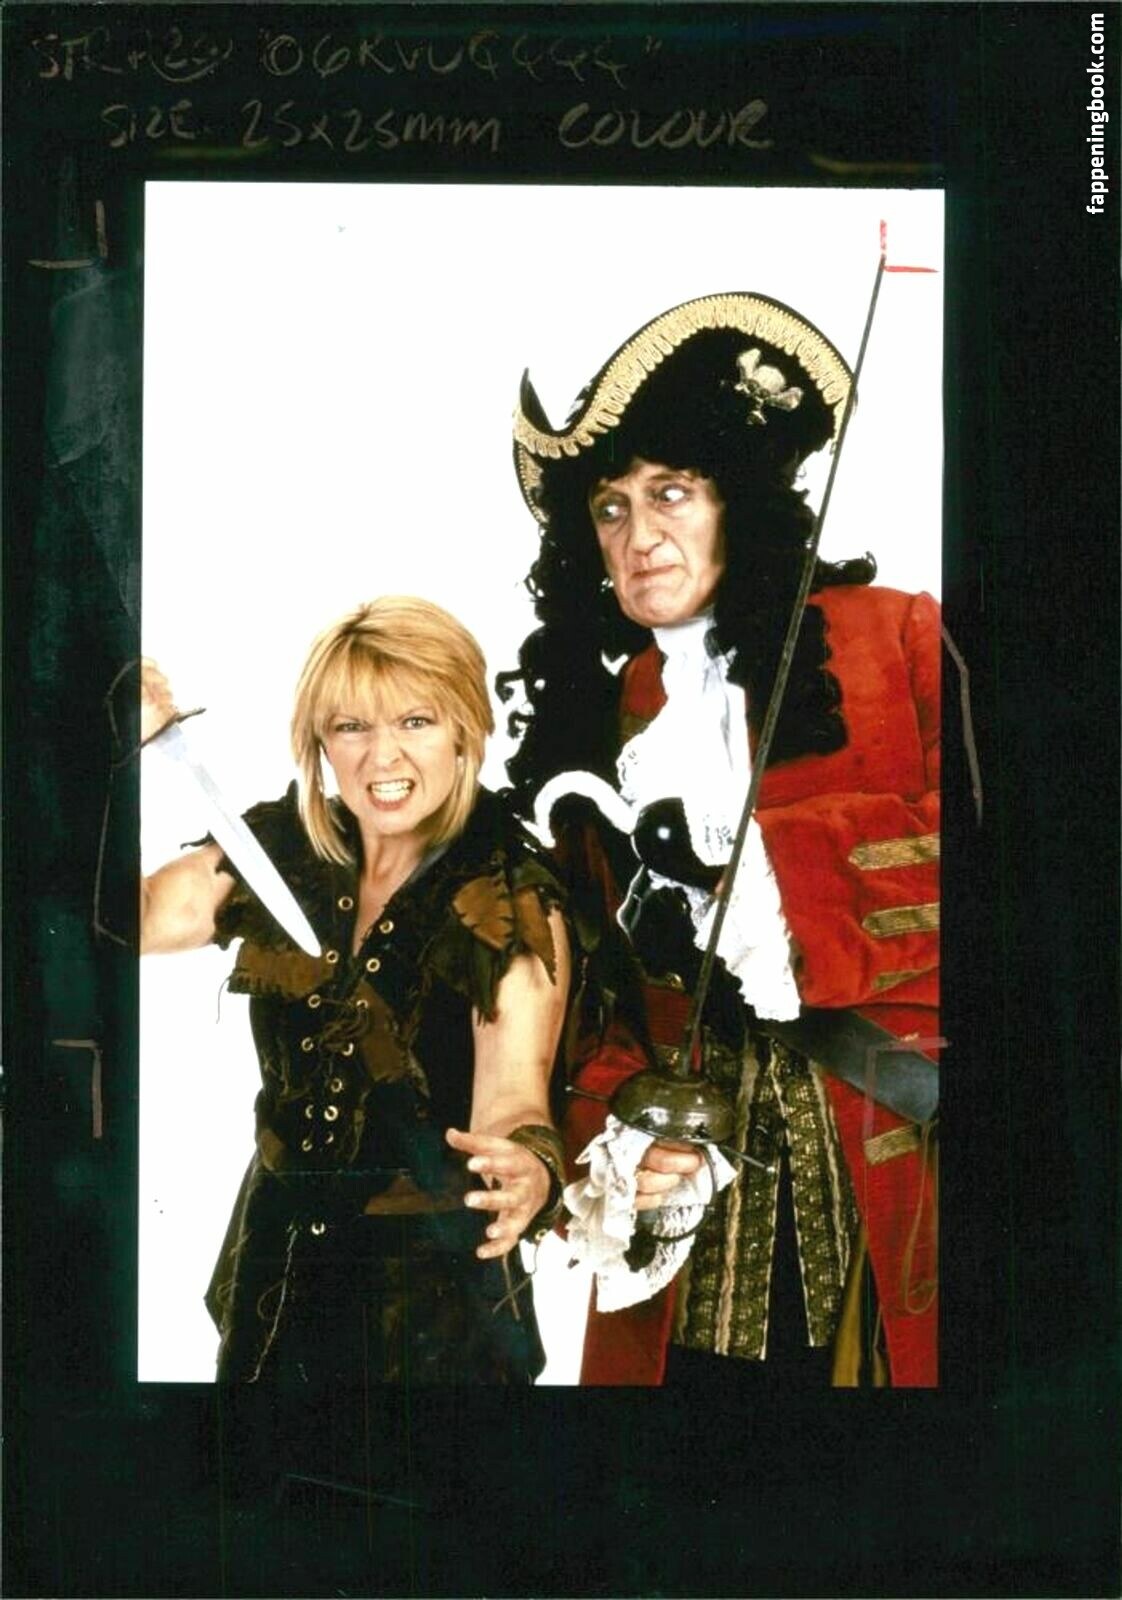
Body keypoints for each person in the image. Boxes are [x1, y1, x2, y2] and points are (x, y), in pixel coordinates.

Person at [500, 293, 940, 1388]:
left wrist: (779, 884)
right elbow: (597, 1002)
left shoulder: (895, 636)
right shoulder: (608, 722)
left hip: (891, 1175)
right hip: (695, 1215)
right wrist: (627, 1136)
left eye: (670, 492)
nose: (638, 537)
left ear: (735, 497)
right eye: (609, 508)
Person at [140, 596, 571, 1414]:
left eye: (415, 721)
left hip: (433, 1300)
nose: (382, 756)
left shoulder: (506, 894)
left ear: (465, 729)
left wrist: (527, 1170)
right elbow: (124, 919)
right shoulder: (279, 851)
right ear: (319, 743)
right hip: (276, 1269)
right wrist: (91, 747)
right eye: (351, 727)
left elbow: (515, 1098)